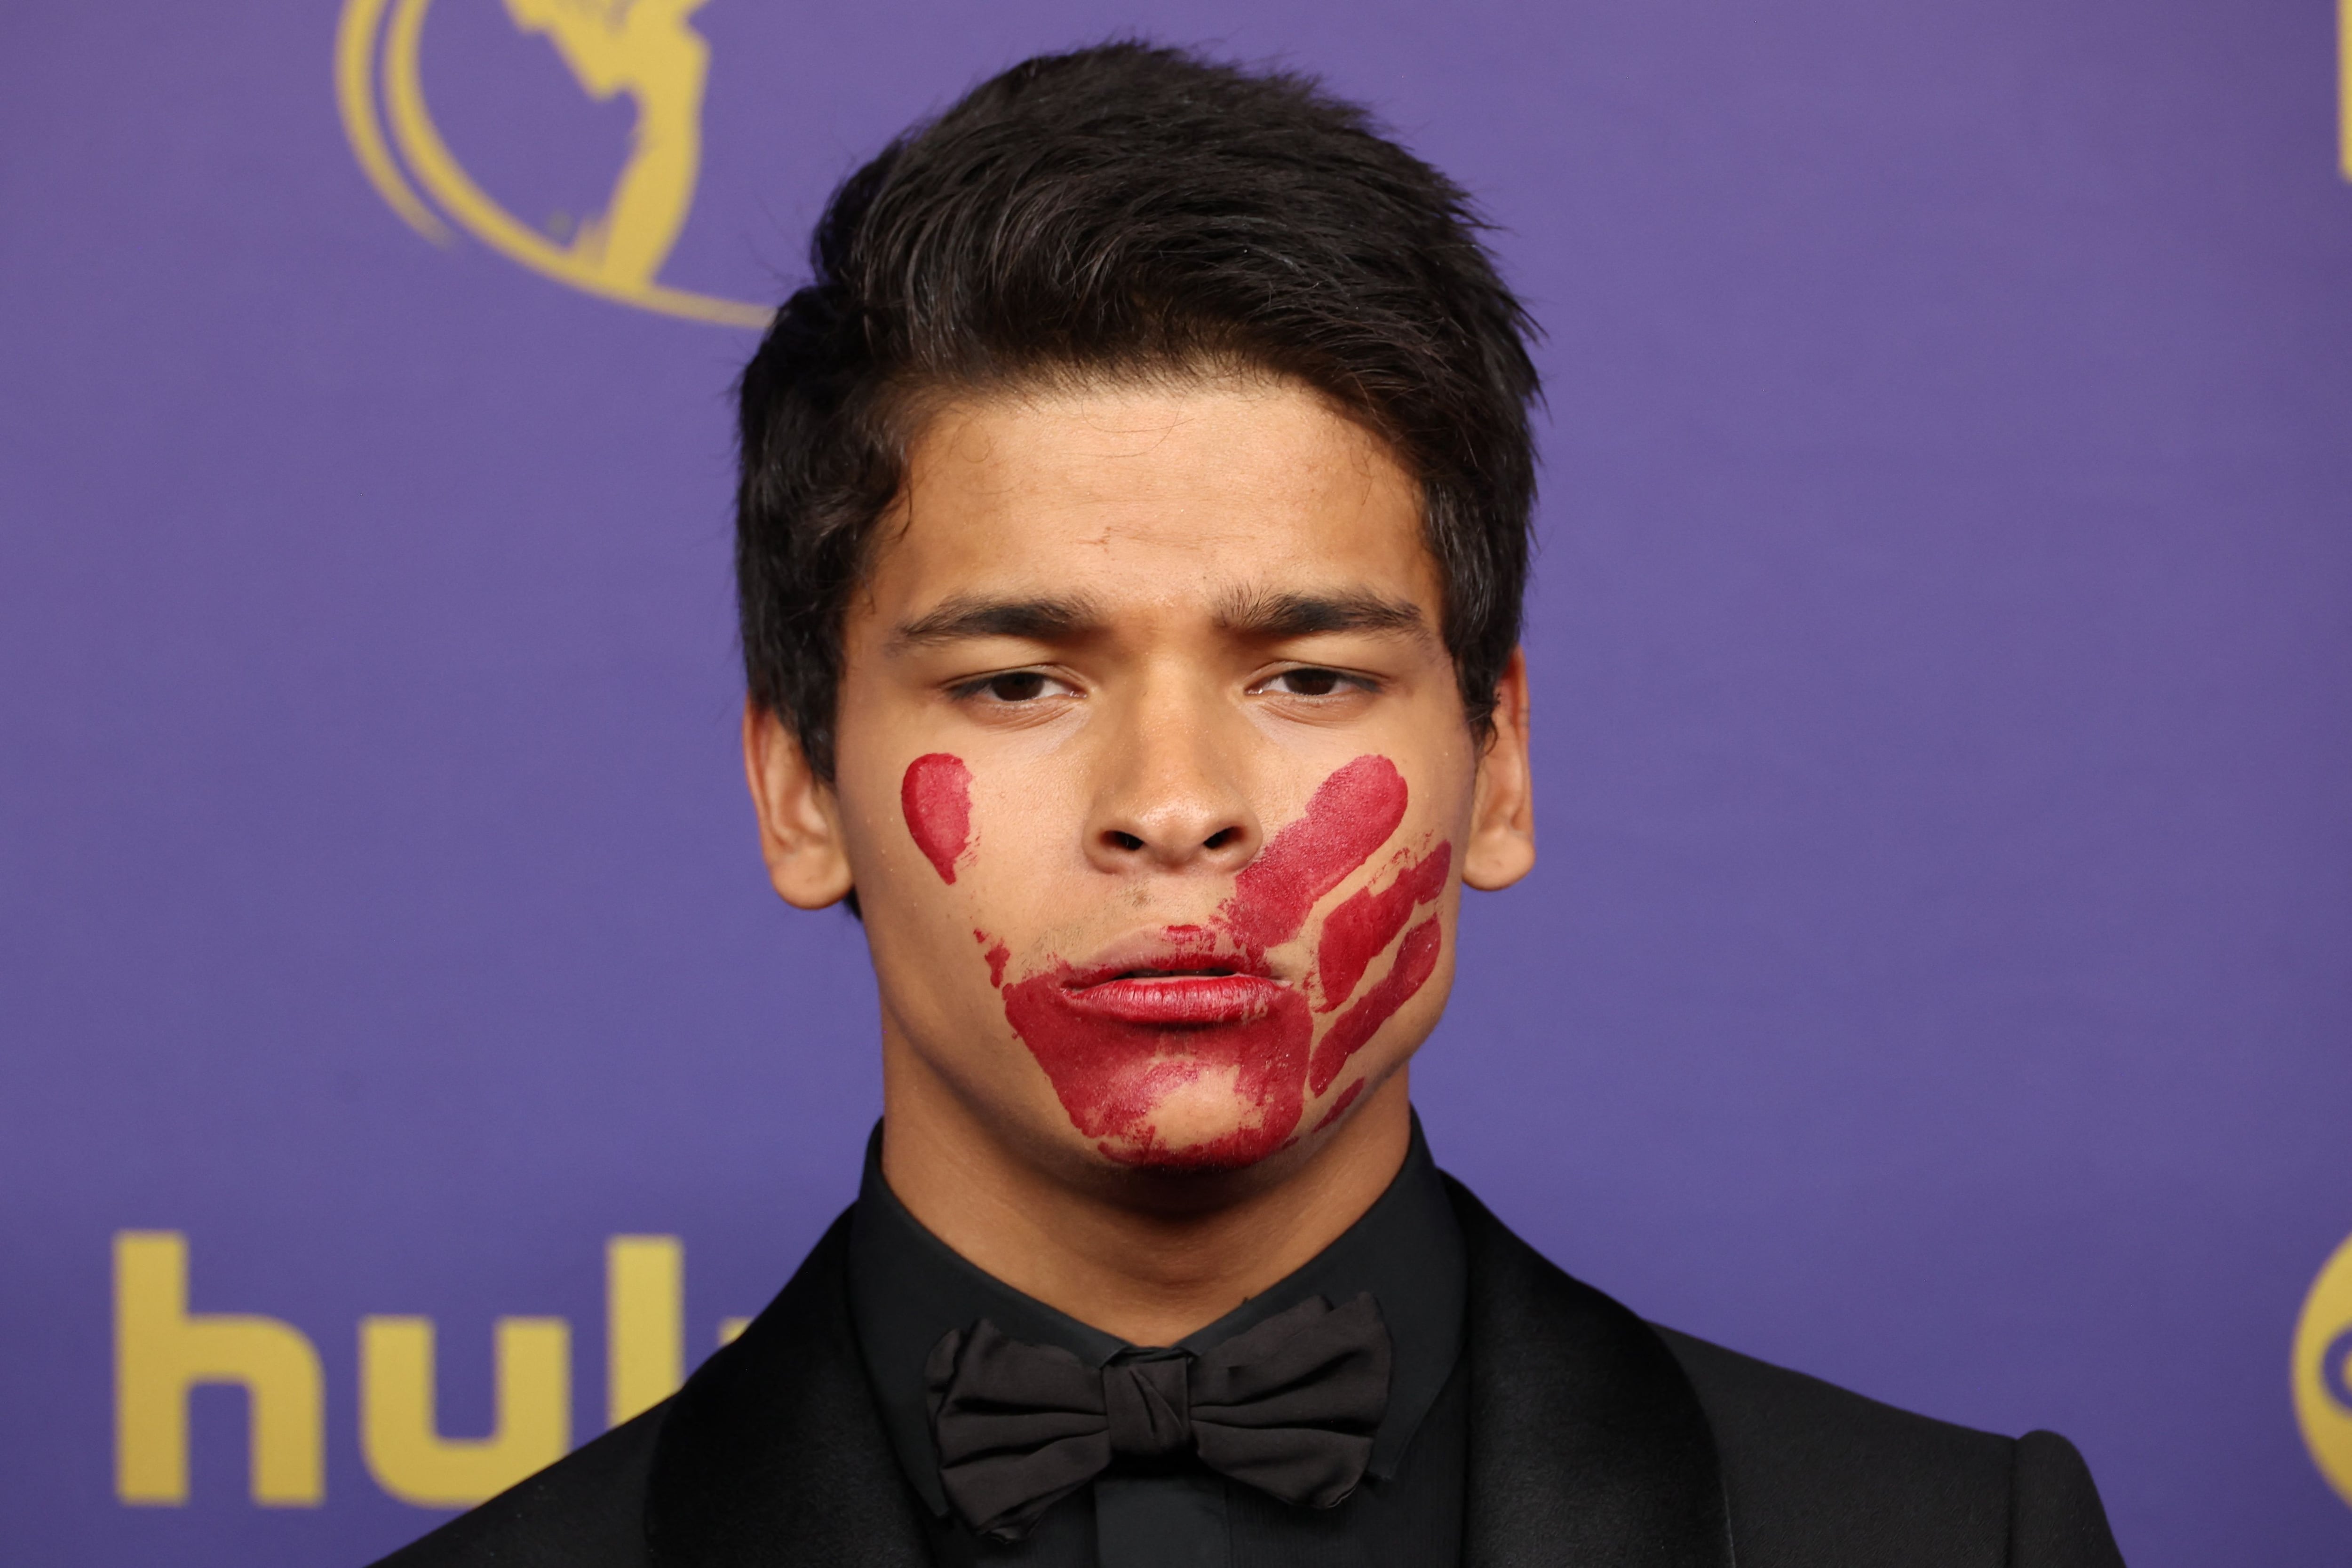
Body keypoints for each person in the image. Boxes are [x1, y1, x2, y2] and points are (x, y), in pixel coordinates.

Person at [376, 42, 2126, 1568]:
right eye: (1016, 683)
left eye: (1307, 679)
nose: (1175, 807)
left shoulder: (1954, 1544)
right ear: (795, 787)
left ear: (1498, 762)